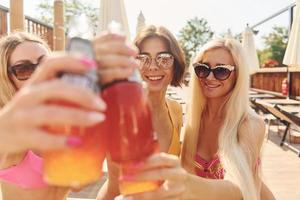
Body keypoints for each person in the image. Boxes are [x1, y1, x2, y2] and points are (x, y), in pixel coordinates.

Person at [116, 38, 276, 200]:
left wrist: (184, 182)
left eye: (221, 71)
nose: (210, 77)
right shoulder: (193, 115)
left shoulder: (250, 124)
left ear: (238, 75)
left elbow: (239, 188)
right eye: (202, 69)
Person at [0, 31, 138, 200]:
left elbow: (78, 184)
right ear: (7, 79)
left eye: (45, 64)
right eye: (24, 69)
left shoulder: (63, 120)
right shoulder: (12, 130)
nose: (39, 74)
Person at [97, 25, 186, 200]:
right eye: (143, 58)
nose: (153, 67)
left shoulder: (175, 109)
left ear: (175, 64)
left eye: (164, 58)